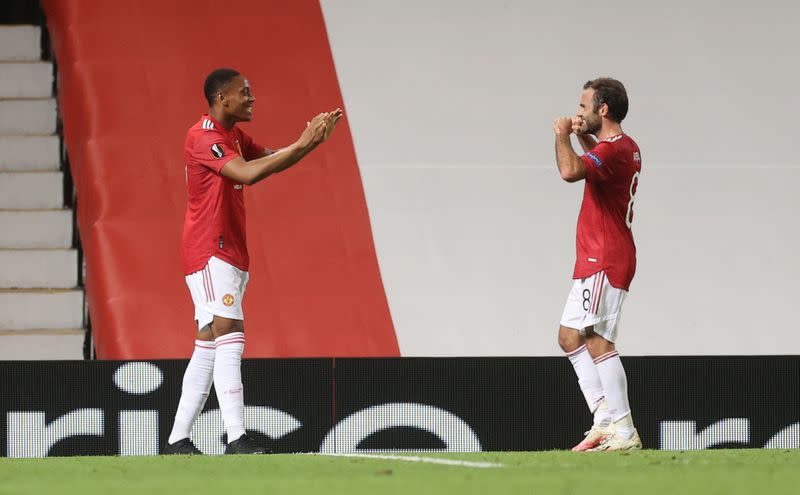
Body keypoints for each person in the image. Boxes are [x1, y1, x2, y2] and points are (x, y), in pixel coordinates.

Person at [164, 68, 342, 455]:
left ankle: (177, 439)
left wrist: (309, 143)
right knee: (230, 333)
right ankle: (236, 437)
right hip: (209, 249)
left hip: (229, 250)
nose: (251, 98)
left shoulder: (232, 135)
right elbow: (247, 173)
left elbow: (270, 159)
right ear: (221, 99)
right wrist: (301, 143)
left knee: (208, 343)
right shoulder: (203, 137)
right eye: (244, 93)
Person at [552, 77, 642, 451]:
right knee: (569, 337)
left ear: (602, 110)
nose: (577, 112)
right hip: (594, 256)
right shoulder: (620, 147)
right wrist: (579, 137)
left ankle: (623, 429)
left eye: (583, 106)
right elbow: (594, 157)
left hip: (605, 257)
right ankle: (604, 416)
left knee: (599, 341)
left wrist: (561, 136)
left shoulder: (616, 149)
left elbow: (571, 172)